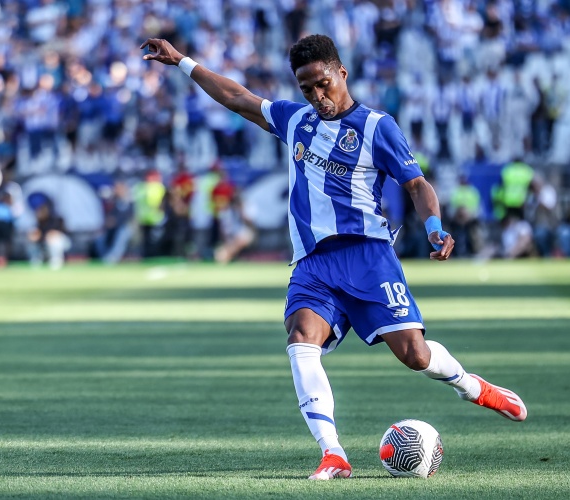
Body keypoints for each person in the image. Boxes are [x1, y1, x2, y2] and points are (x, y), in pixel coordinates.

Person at [141, 34, 527, 481]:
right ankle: (333, 453)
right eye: (306, 89)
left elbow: (416, 184)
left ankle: (472, 386)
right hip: (313, 263)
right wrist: (183, 61)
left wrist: (434, 226)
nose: (317, 96)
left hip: (368, 256)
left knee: (415, 355)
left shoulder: (377, 126)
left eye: (323, 84)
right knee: (301, 338)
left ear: (341, 73)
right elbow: (237, 98)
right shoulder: (295, 120)